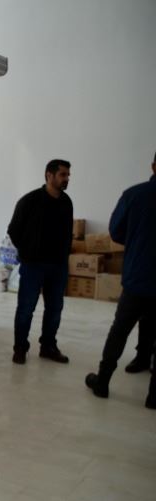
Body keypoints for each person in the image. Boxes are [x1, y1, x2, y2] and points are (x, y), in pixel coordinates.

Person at [85, 152, 156, 409]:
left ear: (153, 166)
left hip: (137, 278)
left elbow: (115, 232)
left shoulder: (134, 195)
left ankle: (102, 382)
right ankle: (154, 396)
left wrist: (138, 240)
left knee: (119, 331)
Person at [7, 159, 73, 365]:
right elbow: (13, 230)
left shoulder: (66, 202)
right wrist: (28, 253)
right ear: (49, 175)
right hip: (33, 265)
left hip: (58, 266)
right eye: (62, 175)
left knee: (55, 309)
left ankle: (48, 347)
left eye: (68, 175)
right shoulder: (30, 201)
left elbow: (67, 233)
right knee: (26, 308)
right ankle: (20, 348)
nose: (66, 179)